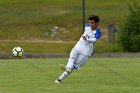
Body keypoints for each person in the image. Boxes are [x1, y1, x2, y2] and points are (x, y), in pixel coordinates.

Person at [55, 15, 102, 83]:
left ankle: (60, 79)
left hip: (86, 51)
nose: (90, 24)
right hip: (79, 45)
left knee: (73, 66)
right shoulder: (87, 26)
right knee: (72, 58)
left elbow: (94, 39)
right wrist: (85, 39)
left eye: (92, 23)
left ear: (97, 23)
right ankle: (66, 69)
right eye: (90, 22)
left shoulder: (98, 32)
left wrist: (87, 40)